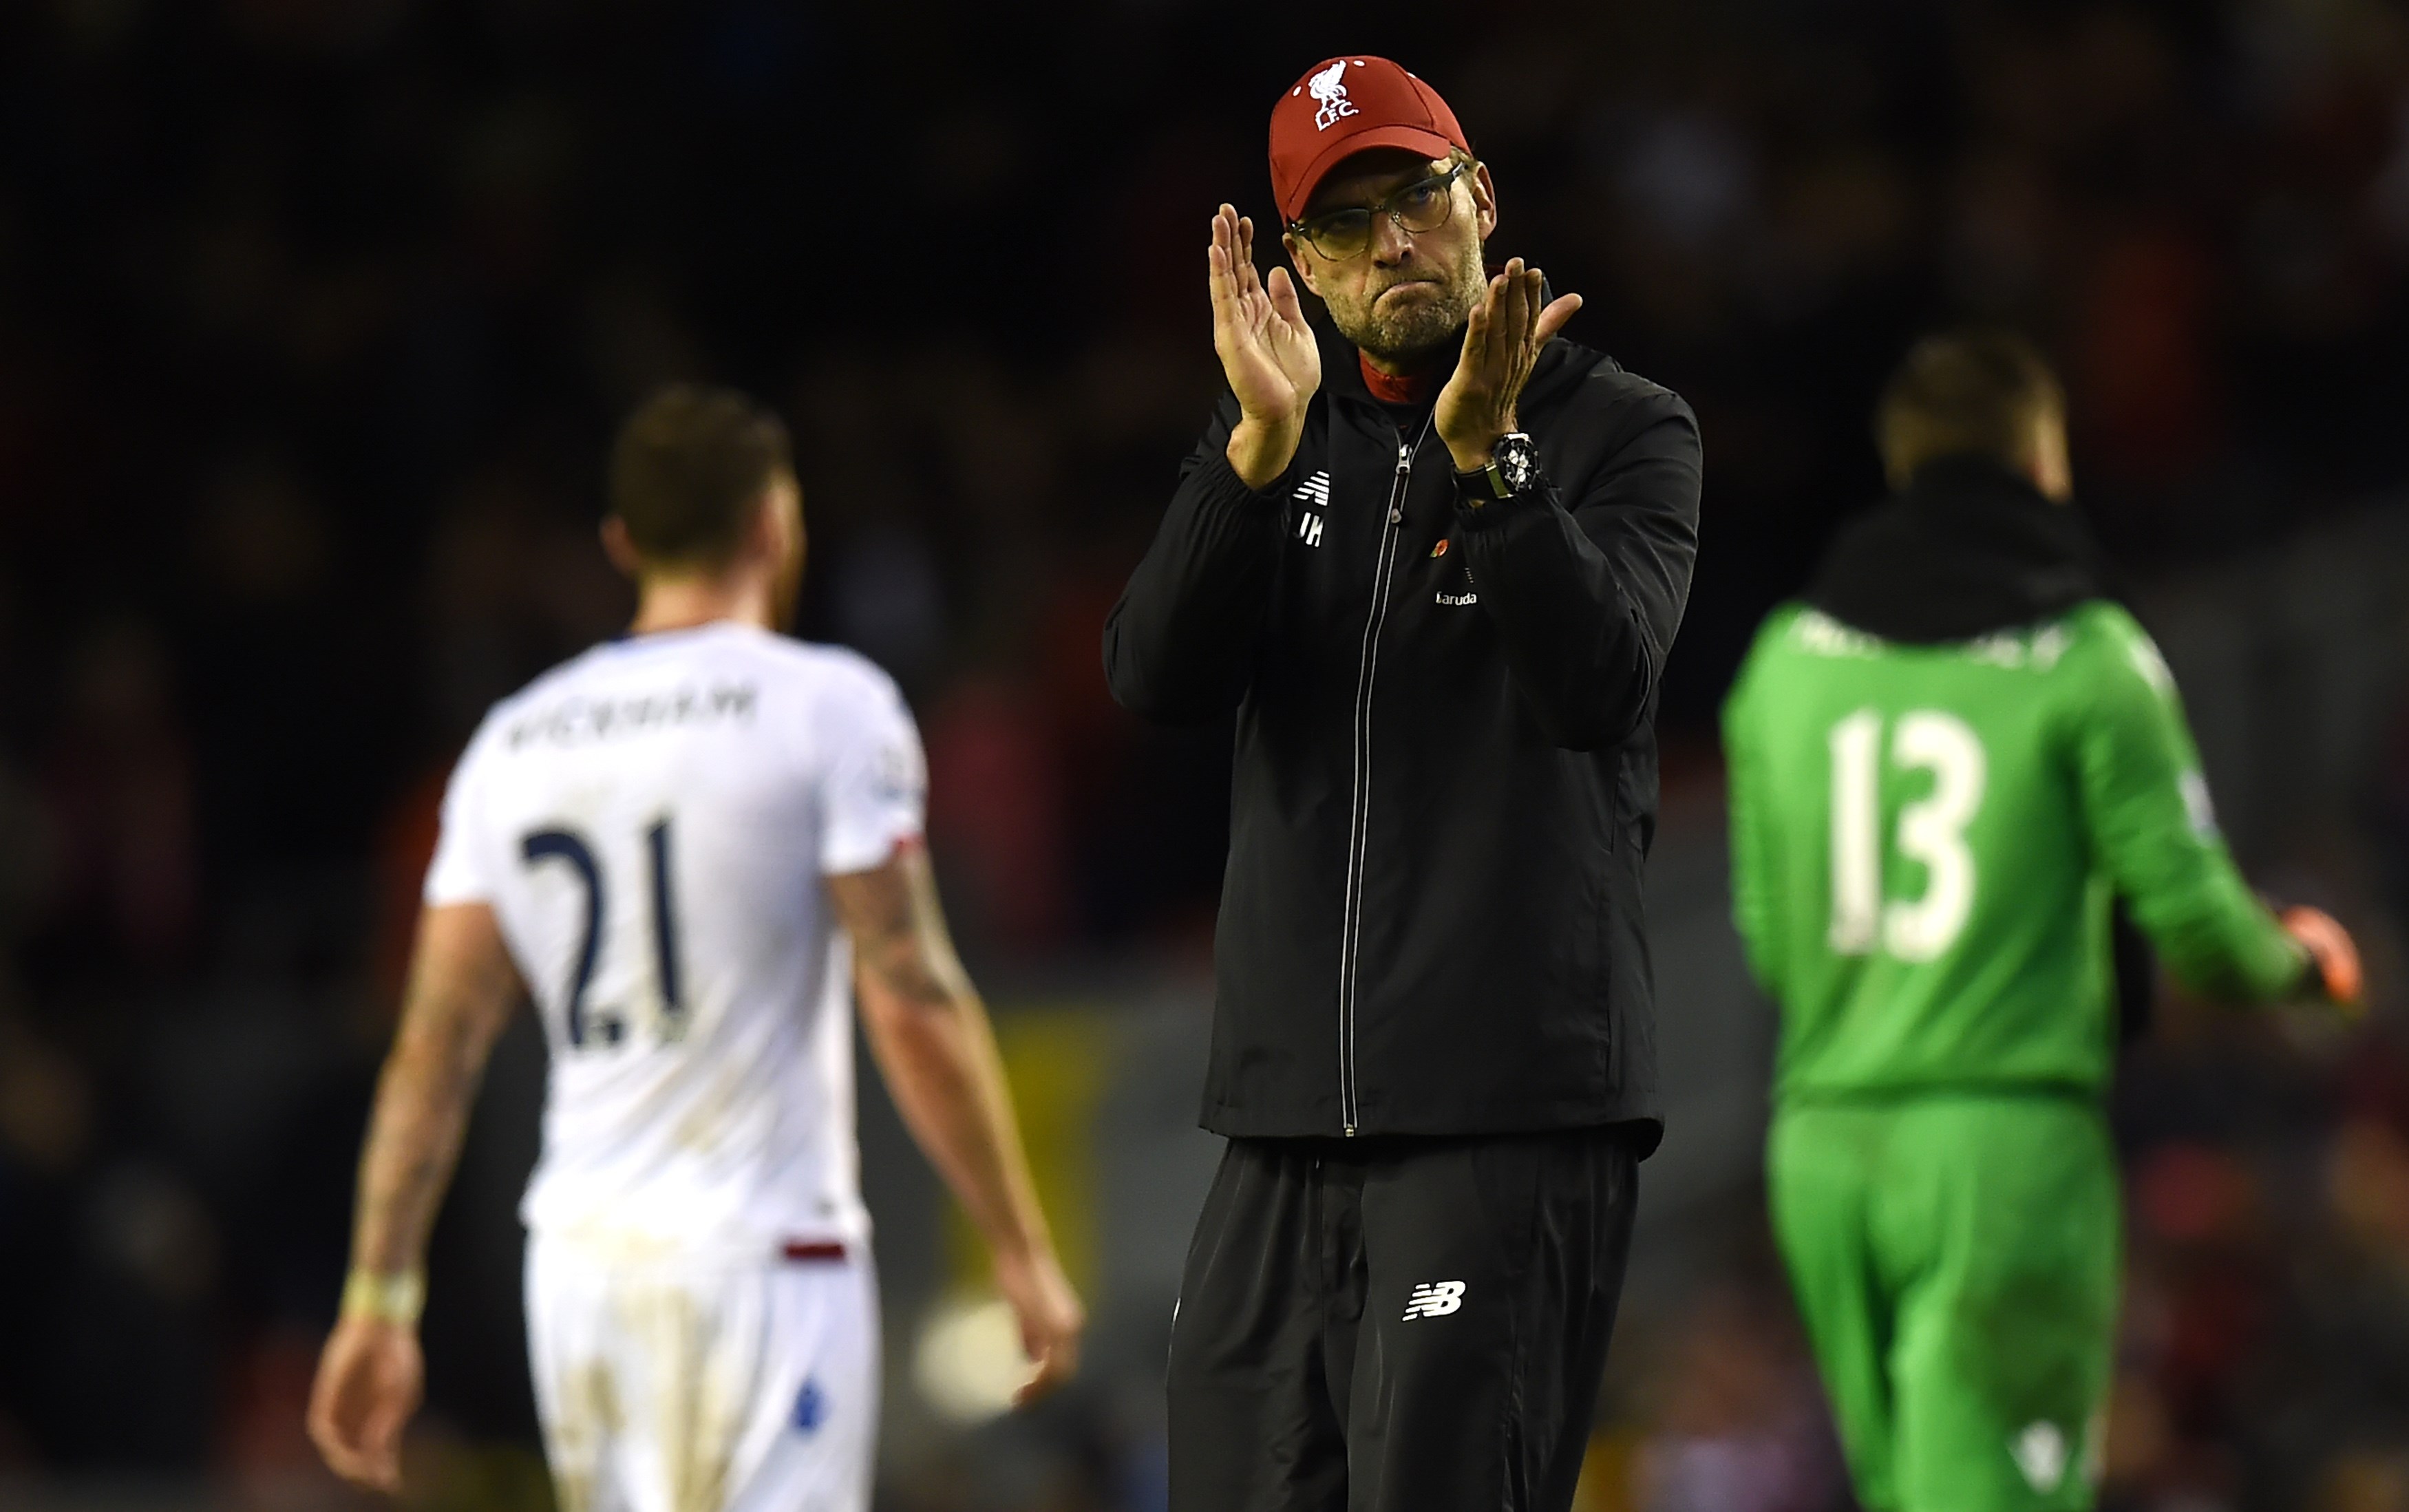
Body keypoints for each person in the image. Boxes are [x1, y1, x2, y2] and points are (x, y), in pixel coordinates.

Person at [306, 385, 1083, 1511]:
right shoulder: (827, 706)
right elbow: (908, 991)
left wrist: (379, 1296)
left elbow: (432, 1045)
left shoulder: (512, 745)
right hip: (765, 1252)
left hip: (581, 1261)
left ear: (623, 542)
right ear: (775, 523)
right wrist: (1017, 1243)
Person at [1105, 56, 1703, 1512]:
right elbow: (1152, 683)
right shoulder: (1279, 439)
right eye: (1346, 223)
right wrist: (1245, 459)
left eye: (1416, 200)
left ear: (1479, 198)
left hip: (1503, 1115)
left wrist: (1494, 468)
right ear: (1297, 268)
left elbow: (1600, 685)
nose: (1392, 245)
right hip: (1283, 1123)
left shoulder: (1620, 429)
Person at [1721, 330, 2364, 1512]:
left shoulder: (1783, 663)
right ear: (2043, 458)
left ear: (1904, 464)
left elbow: (1769, 936)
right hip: (2003, 1141)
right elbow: (2202, 933)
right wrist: (2302, 963)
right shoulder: (2089, 656)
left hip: (1823, 1146)